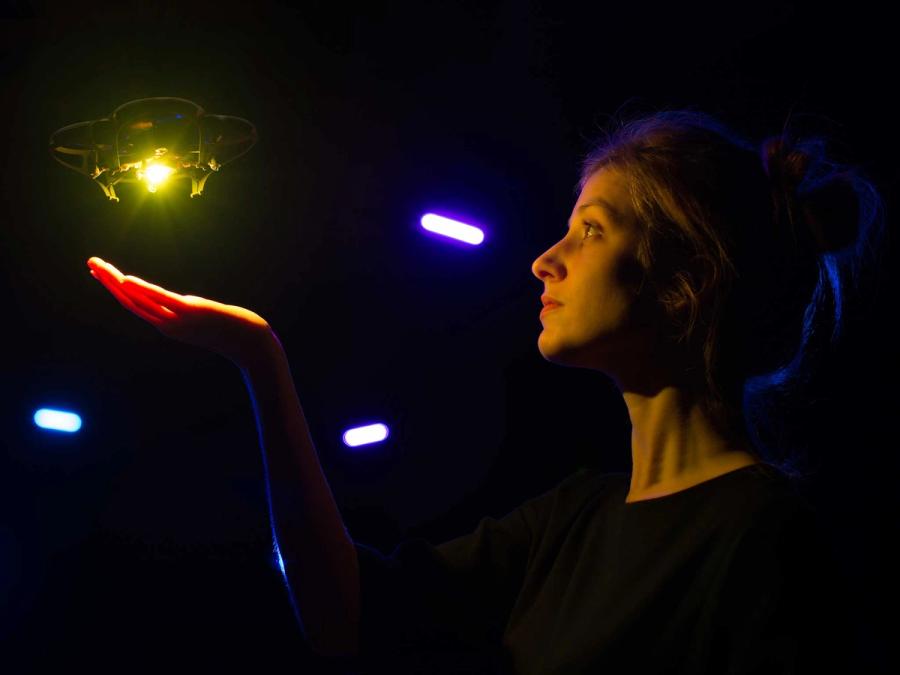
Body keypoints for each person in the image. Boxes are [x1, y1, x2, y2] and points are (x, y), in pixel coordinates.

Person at [87, 107, 886, 674]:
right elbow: (344, 615)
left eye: (592, 229)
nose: (547, 257)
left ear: (688, 282)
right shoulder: (573, 519)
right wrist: (259, 359)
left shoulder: (765, 539)